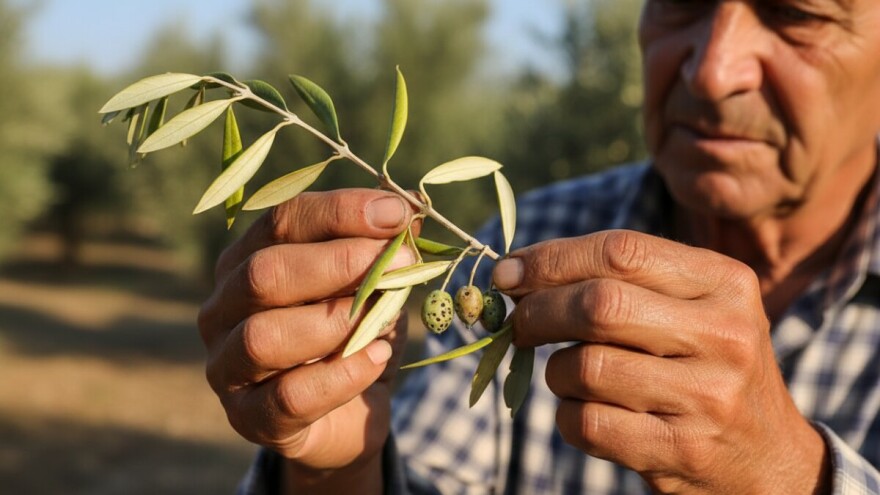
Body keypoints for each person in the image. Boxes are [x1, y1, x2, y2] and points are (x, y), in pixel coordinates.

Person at [198, 1, 880, 493]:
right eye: (680, 2)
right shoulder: (521, 250)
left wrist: (792, 475)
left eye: (799, 14)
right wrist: (335, 468)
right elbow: (434, 469)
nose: (712, 70)